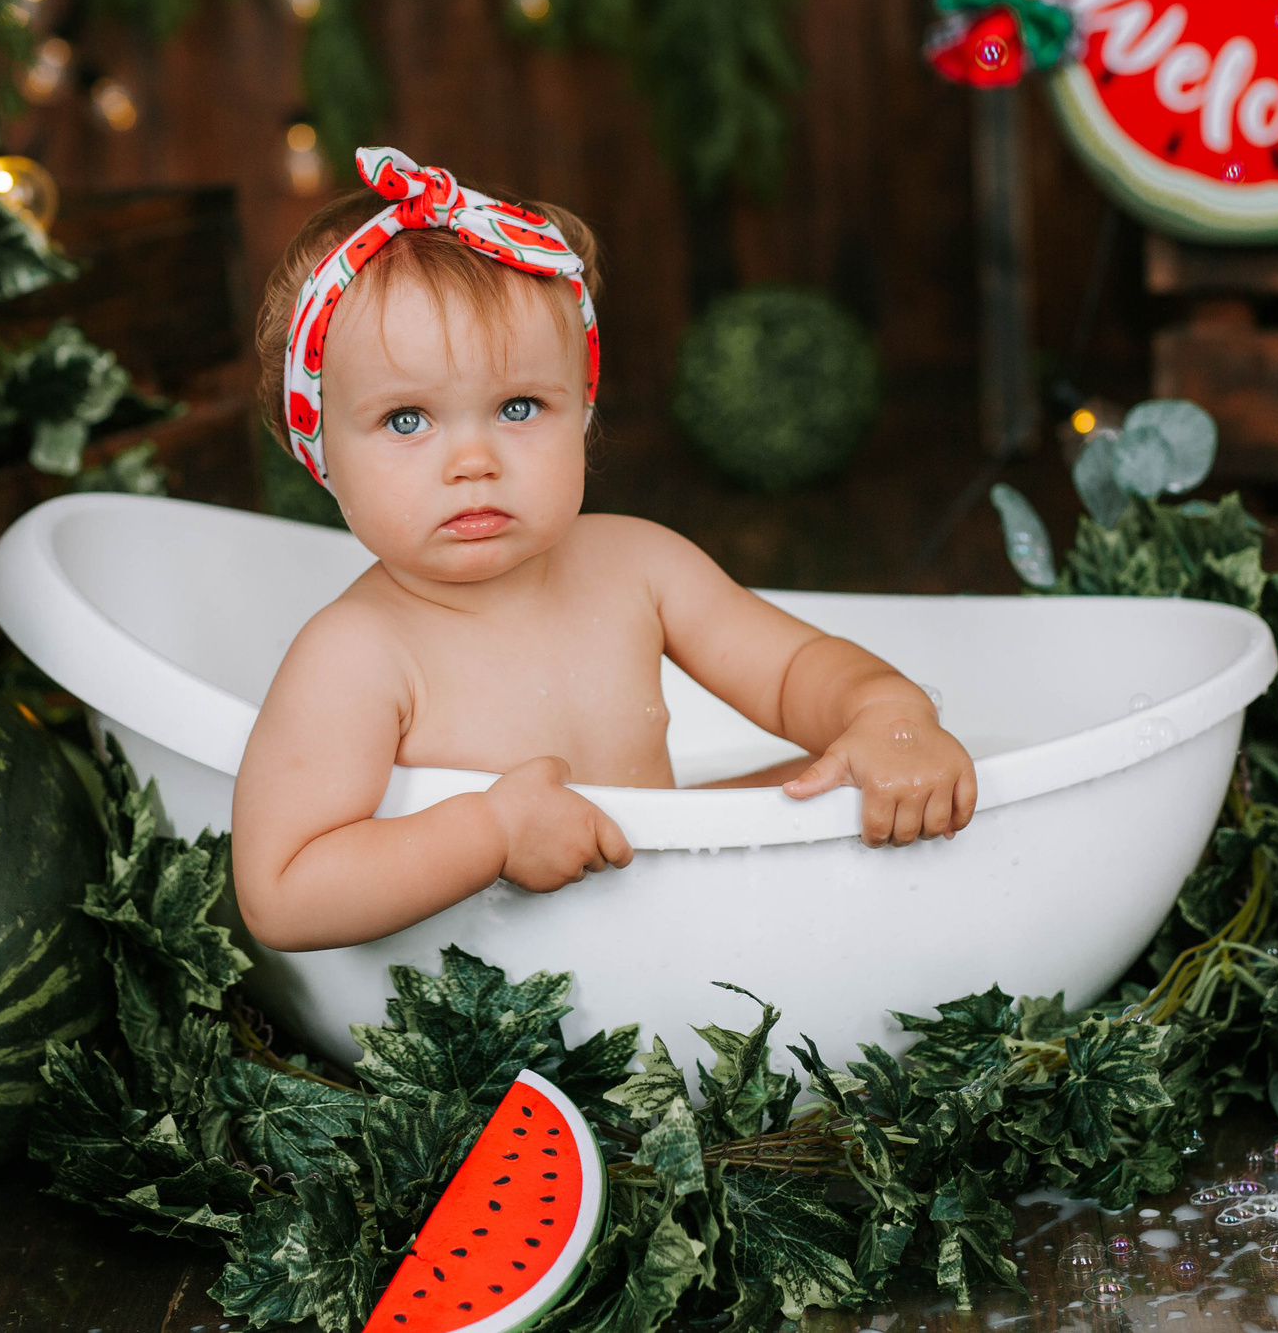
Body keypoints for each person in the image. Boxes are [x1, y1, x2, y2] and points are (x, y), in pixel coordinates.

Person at [231, 147, 975, 952]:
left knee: (837, 785)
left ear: (580, 410)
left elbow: (795, 670)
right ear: (318, 446)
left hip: (669, 937)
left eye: (519, 406)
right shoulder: (356, 654)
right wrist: (488, 832)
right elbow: (282, 892)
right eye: (407, 420)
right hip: (507, 986)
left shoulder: (639, 566)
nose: (473, 461)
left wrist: (887, 715)